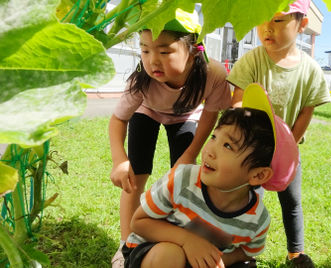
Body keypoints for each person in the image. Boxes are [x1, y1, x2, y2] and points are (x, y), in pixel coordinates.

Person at [121, 83, 299, 268]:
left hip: (200, 262)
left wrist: (219, 261)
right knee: (170, 254)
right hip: (154, 252)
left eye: (228, 146)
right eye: (214, 137)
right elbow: (139, 222)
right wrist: (187, 241)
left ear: (258, 175)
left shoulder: (257, 219)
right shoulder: (183, 180)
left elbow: (247, 252)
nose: (209, 151)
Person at [109, 9, 232, 268]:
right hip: (147, 112)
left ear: (193, 50)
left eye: (164, 52)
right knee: (135, 177)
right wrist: (120, 160)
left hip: (184, 116)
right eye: (145, 51)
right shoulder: (141, 81)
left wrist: (188, 157)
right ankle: (125, 244)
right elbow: (118, 119)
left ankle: (178, 235)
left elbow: (210, 116)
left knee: (185, 180)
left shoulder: (213, 73)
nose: (153, 61)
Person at [227, 0, 331, 268]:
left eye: (277, 20)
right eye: (262, 20)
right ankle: (240, 252)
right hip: (250, 149)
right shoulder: (251, 61)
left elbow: (306, 112)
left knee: (292, 202)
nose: (266, 28)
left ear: (302, 24)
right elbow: (237, 102)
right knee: (246, 201)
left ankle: (296, 254)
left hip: (288, 152)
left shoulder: (310, 70)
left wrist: (289, 147)